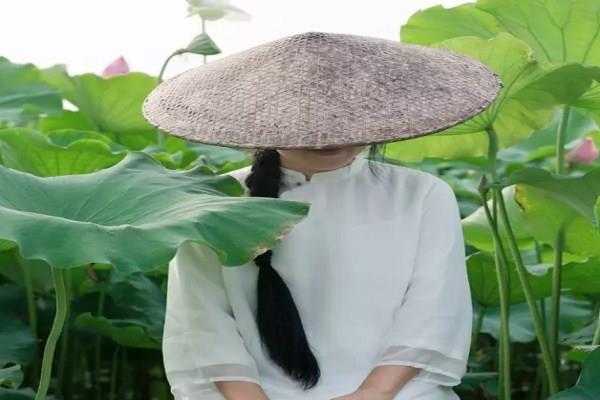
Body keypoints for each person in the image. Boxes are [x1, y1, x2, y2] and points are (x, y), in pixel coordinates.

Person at [142, 31, 502, 399]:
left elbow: (433, 312)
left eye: (346, 114)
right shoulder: (213, 200)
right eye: (306, 116)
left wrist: (373, 393)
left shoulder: (423, 195)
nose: (330, 132)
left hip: (398, 392)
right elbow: (203, 322)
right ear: (259, 117)